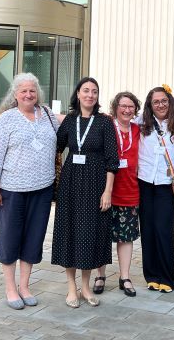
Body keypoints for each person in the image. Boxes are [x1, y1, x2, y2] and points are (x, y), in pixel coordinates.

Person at [0, 72, 60, 310]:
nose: (29, 94)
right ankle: (10, 288)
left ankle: (25, 286)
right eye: (24, 91)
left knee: (33, 238)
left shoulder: (48, 115)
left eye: (32, 90)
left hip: (42, 189)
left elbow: (73, 121)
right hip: (12, 190)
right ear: (16, 95)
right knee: (10, 239)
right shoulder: (7, 119)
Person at [51, 77, 119, 308]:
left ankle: (86, 287)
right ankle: (71, 288)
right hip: (70, 184)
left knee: (90, 235)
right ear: (78, 94)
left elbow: (112, 160)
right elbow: (56, 148)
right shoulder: (69, 121)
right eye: (86, 91)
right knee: (70, 232)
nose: (90, 95)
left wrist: (107, 191)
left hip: (96, 185)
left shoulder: (104, 122)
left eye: (95, 92)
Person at [137, 85, 174, 293]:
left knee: (163, 230)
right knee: (147, 230)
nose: (160, 105)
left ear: (170, 102)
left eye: (164, 101)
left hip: (168, 184)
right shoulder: (141, 123)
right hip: (145, 182)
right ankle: (152, 275)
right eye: (156, 102)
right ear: (150, 105)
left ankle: (167, 276)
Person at [93, 92, 141, 297]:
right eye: (123, 106)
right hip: (104, 191)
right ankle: (100, 275)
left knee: (126, 237)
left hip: (130, 191)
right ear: (115, 107)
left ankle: (124, 276)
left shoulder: (139, 130)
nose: (127, 110)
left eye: (131, 107)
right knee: (101, 236)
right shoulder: (106, 125)